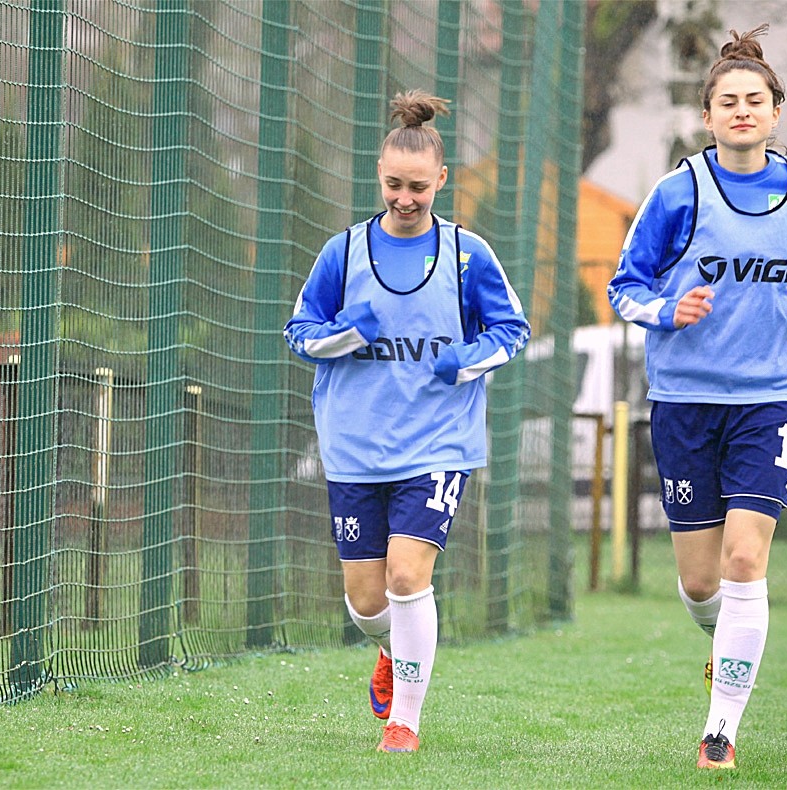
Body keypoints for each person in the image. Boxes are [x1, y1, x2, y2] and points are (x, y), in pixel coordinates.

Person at [607, 25, 787, 770]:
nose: (742, 111)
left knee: (746, 558)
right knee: (700, 582)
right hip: (685, 401)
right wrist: (667, 310)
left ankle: (721, 732)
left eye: (755, 100)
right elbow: (625, 287)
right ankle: (725, 643)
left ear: (776, 111)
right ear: (708, 115)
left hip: (772, 398)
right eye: (728, 102)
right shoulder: (677, 192)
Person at [284, 89, 530, 753]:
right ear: (379, 176)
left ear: (441, 180)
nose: (404, 198)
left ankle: (406, 722)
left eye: (418, 187)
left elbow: (512, 330)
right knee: (367, 601)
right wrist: (345, 334)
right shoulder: (343, 253)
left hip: (437, 446)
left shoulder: (467, 255)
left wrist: (466, 360)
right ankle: (392, 650)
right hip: (354, 447)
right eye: (394, 184)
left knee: (406, 577)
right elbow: (300, 331)